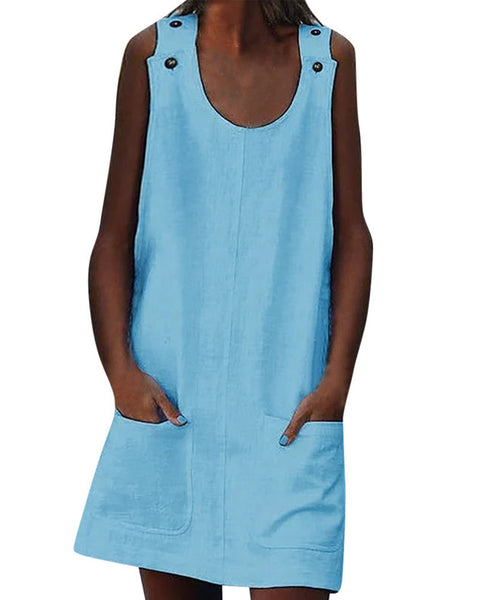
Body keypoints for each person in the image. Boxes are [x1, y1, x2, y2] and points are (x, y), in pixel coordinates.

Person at [74, 1, 373, 598]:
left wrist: (338, 381)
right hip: (172, 405)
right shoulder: (154, 57)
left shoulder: (328, 61)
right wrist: (121, 373)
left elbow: (352, 236)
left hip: (290, 411)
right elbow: (113, 236)